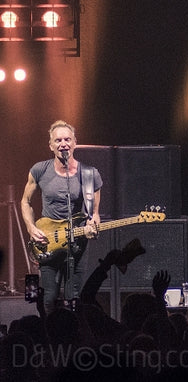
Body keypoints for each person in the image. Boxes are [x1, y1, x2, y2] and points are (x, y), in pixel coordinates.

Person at [20, 120, 102, 312]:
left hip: (77, 243)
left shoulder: (89, 174)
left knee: (74, 298)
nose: (63, 143)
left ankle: (73, 338)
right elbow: (25, 202)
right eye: (58, 140)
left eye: (67, 139)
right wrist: (31, 228)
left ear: (74, 143)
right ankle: (50, 337)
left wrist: (93, 223)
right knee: (49, 298)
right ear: (51, 145)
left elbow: (94, 213)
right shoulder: (40, 170)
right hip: (48, 240)